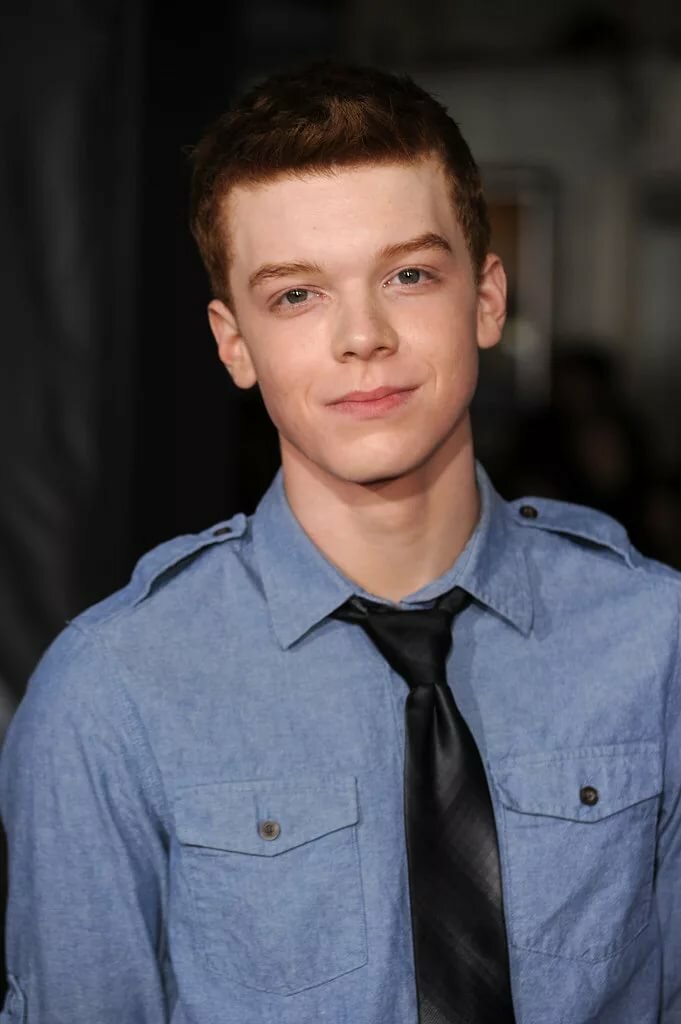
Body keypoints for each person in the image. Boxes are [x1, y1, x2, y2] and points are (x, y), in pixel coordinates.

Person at [0, 62, 679, 1024]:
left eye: (408, 275)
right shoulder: (113, 693)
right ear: (233, 344)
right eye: (296, 295)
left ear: (487, 300)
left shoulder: (656, 642)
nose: (362, 336)